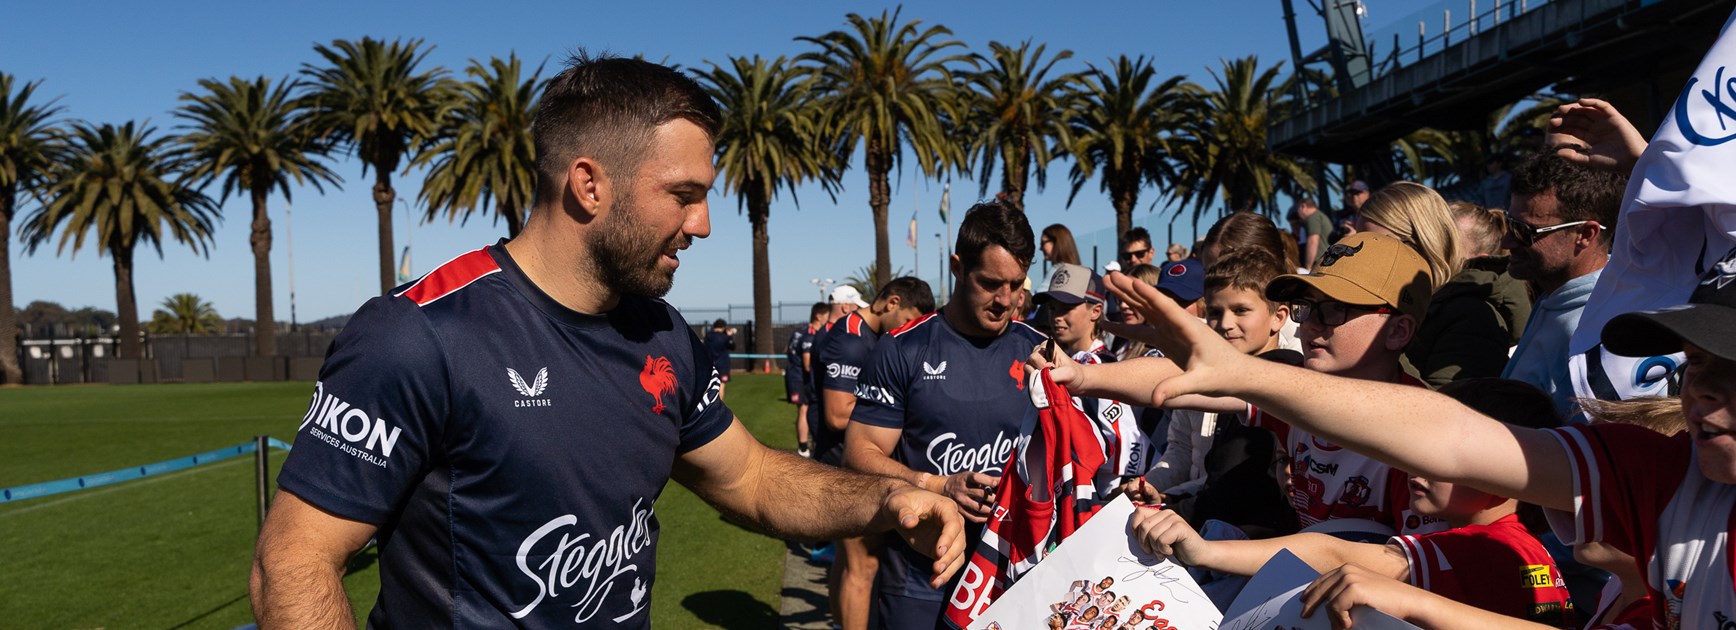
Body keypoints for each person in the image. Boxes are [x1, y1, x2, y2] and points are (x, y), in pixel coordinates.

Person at [248, 55, 965, 629]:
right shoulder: (420, 334)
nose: (704, 223)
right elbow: (294, 563)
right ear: (590, 185)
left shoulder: (661, 334)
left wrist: (888, 498)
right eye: (683, 194)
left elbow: (752, 479)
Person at [1085, 231, 1736, 630]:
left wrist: (1208, 549)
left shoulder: (1518, 552)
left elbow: (1368, 552)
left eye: (1731, 364)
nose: (1702, 387)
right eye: (1696, 361)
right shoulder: (1668, 474)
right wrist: (1079, 378)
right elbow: (1453, 437)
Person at [1041, 233, 1438, 539]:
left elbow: (1400, 568)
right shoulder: (1299, 389)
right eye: (1308, 306)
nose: (1312, 323)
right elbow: (1189, 379)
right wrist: (1084, 378)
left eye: (1335, 308)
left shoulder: (1423, 437)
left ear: (1399, 330)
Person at [1132, 377, 1576, 627]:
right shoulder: (1530, 551)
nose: (1415, 463)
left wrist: (1207, 552)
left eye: (1441, 454)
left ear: (1502, 477)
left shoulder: (1477, 548)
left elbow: (1336, 551)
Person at [844, 201, 1048, 629]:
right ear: (957, 267)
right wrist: (938, 485)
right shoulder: (903, 348)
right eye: (991, 283)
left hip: (1012, 571)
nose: (1005, 300)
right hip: (923, 573)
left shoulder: (1040, 351)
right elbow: (860, 453)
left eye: (1016, 284)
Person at [1141, 249, 1297, 536]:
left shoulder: (1282, 373)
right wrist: (1169, 498)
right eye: (1215, 312)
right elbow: (1214, 478)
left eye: (1240, 310)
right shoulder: (1234, 376)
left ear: (1279, 317)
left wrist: (1170, 513)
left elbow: (1234, 490)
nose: (1225, 324)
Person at [812, 276, 936, 630]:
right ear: (891, 302)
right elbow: (837, 414)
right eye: (908, 319)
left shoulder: (867, 334)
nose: (909, 330)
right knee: (863, 566)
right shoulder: (851, 340)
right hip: (845, 466)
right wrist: (900, 409)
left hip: (848, 465)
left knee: (847, 562)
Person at [1500, 153, 1627, 417]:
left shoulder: (1601, 330)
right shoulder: (1557, 295)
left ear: (1585, 234)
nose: (1507, 242)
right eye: (1508, 223)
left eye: (1525, 231)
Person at [1353, 182, 1508, 387]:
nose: (1362, 258)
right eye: (1359, 245)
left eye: (1378, 247)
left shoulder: (1472, 316)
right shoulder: (1396, 302)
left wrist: (1375, 342)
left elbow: (1447, 409)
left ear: (1424, 244)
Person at [1035, 263, 1149, 490]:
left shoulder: (1097, 363)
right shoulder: (1071, 357)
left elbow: (1127, 444)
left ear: (1096, 311)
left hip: (1094, 500)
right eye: (1053, 307)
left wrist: (1103, 499)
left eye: (1066, 308)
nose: (1056, 316)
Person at [789, 302, 828, 457]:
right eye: (826, 316)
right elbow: (807, 364)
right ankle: (804, 447)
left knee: (805, 409)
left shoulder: (801, 332)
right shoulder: (810, 335)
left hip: (798, 377)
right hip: (801, 378)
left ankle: (807, 445)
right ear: (819, 316)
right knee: (805, 409)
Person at [1296, 198, 1334, 271]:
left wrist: (1308, 267)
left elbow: (1313, 241)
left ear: (1303, 206)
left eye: (1298, 209)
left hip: (1320, 262)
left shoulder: (1313, 217)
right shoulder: (1319, 216)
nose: (1298, 213)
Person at [703, 319, 734, 400]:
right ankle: (719, 409)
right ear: (723, 327)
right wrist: (730, 336)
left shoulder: (708, 337)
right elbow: (733, 346)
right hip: (723, 365)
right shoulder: (724, 337)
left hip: (709, 364)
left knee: (709, 387)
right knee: (721, 387)